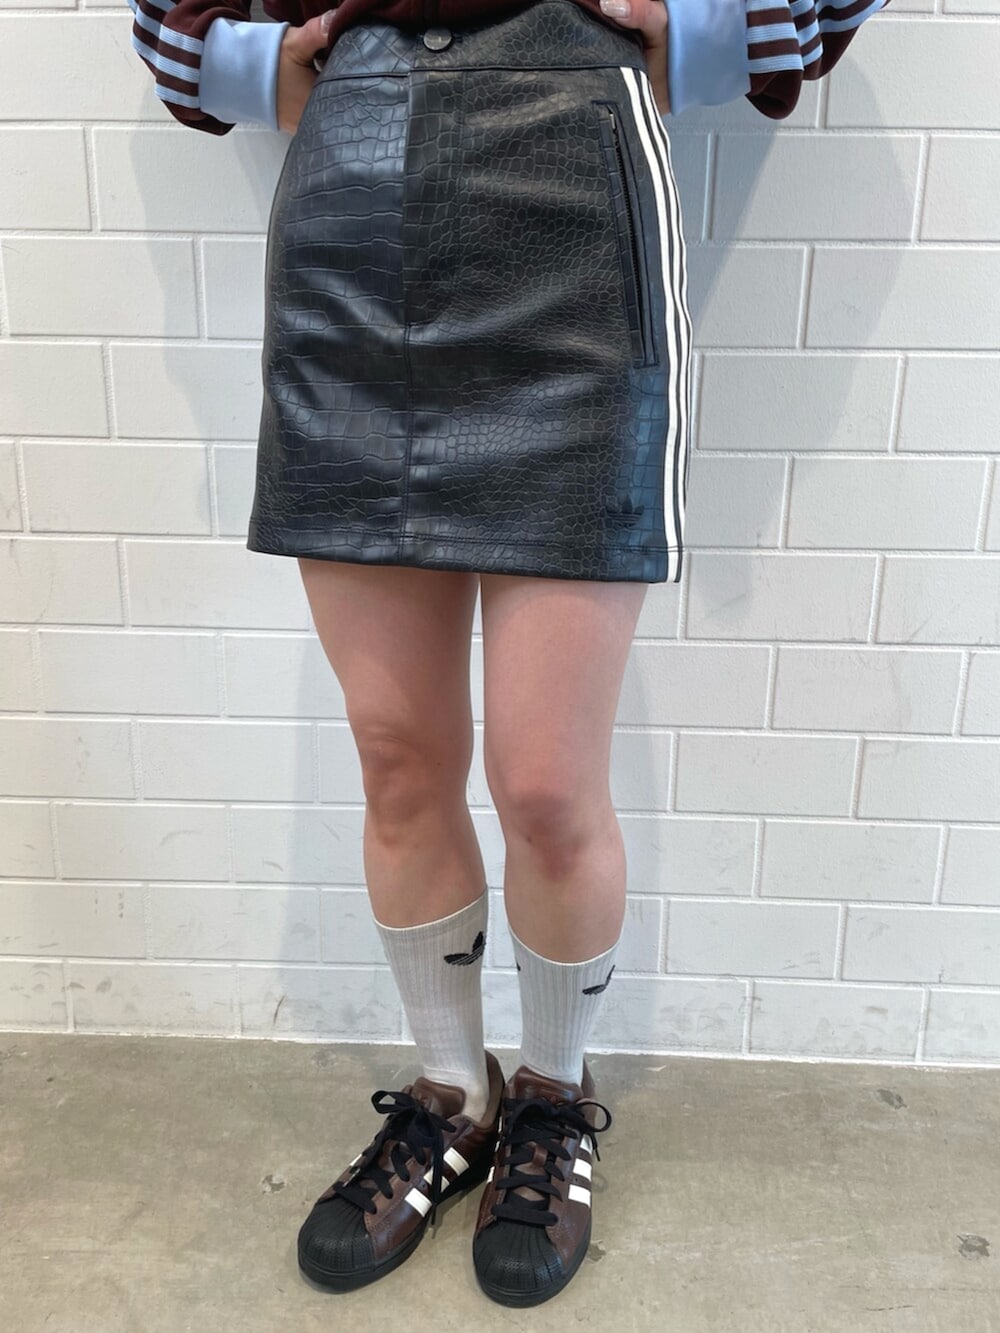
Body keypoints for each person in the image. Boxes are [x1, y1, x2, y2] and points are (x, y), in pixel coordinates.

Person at [127, 0, 890, 1307]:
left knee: (544, 782)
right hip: (355, 191)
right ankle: (450, 1091)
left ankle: (553, 1093)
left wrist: (718, 28)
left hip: (576, 184)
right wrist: (238, 58)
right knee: (396, 752)